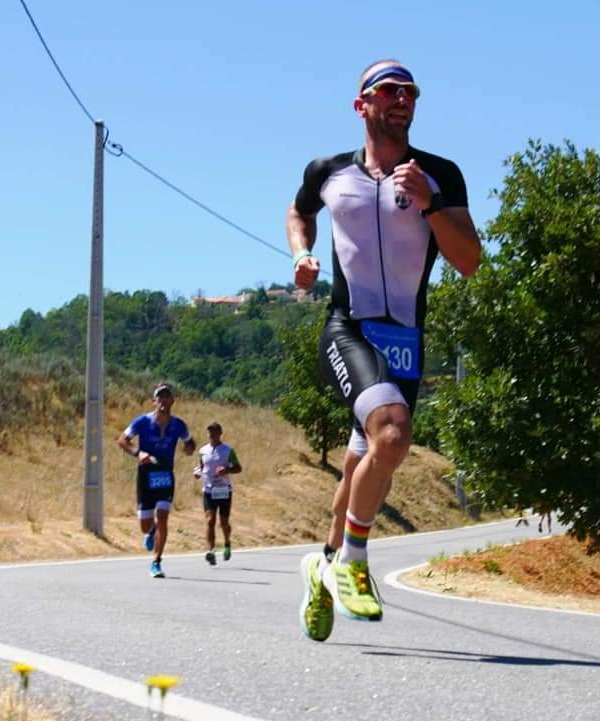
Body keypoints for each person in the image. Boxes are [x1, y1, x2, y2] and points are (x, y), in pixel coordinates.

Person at [287, 59, 481, 640]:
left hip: (405, 342)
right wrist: (301, 254)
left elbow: (469, 261)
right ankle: (353, 562)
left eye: (410, 92)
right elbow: (300, 211)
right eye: (389, 90)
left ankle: (322, 566)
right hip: (348, 328)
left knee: (366, 464)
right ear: (362, 105)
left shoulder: (440, 174)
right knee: (392, 433)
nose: (402, 99)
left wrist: (430, 204)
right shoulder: (328, 171)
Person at [117, 383, 195, 578]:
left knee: (162, 516)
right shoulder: (142, 422)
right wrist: (138, 452)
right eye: (160, 397)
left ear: (172, 401)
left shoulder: (179, 425)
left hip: (165, 474)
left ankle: (156, 562)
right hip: (146, 474)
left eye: (167, 397)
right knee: (144, 524)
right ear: (154, 401)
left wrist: (189, 448)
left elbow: (190, 442)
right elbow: (122, 440)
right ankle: (151, 531)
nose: (163, 400)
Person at [194, 421, 242, 565]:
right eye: (210, 432)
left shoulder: (228, 450)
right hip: (209, 490)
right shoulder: (203, 450)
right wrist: (197, 472)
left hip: (224, 490)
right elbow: (201, 466)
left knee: (224, 523)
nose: (212, 435)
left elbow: (238, 468)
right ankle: (211, 551)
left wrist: (226, 470)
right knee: (210, 521)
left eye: (214, 432)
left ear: (220, 433)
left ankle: (227, 543)